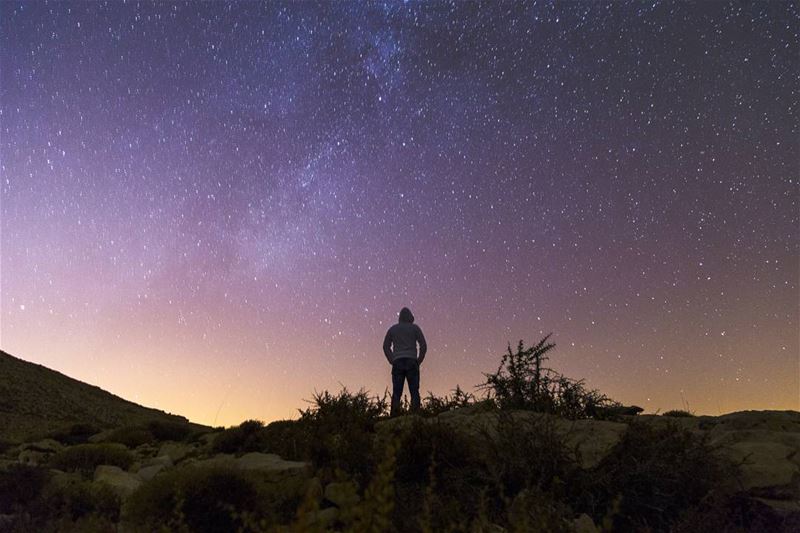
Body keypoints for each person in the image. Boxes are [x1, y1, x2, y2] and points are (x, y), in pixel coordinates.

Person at [383, 307, 427, 416]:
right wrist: (419, 360)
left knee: (397, 392)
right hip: (412, 361)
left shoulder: (393, 329)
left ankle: (394, 416)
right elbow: (423, 345)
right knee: (414, 391)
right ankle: (416, 416)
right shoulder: (415, 328)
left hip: (398, 361)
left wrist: (392, 359)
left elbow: (385, 346)